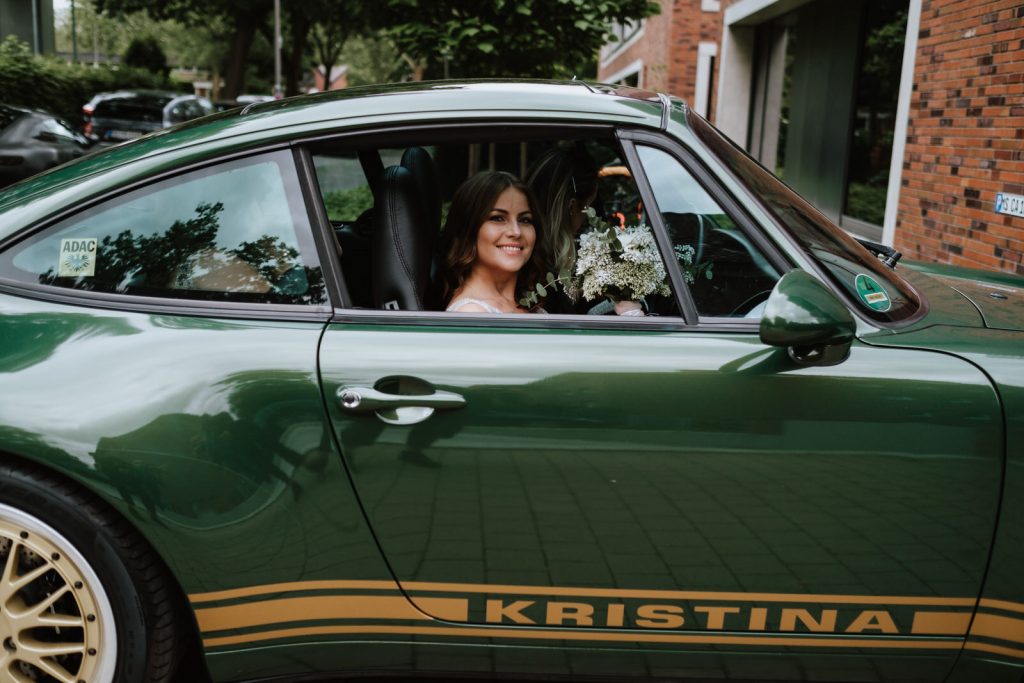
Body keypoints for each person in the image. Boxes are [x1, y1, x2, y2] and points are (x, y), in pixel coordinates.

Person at [527, 142, 644, 316]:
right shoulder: (539, 278)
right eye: (588, 208)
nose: (586, 221)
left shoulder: (534, 260)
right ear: (573, 207)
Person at [437, 171, 545, 313]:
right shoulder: (471, 312)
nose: (516, 232)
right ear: (468, 229)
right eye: (498, 218)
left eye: (525, 220)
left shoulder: (528, 302)